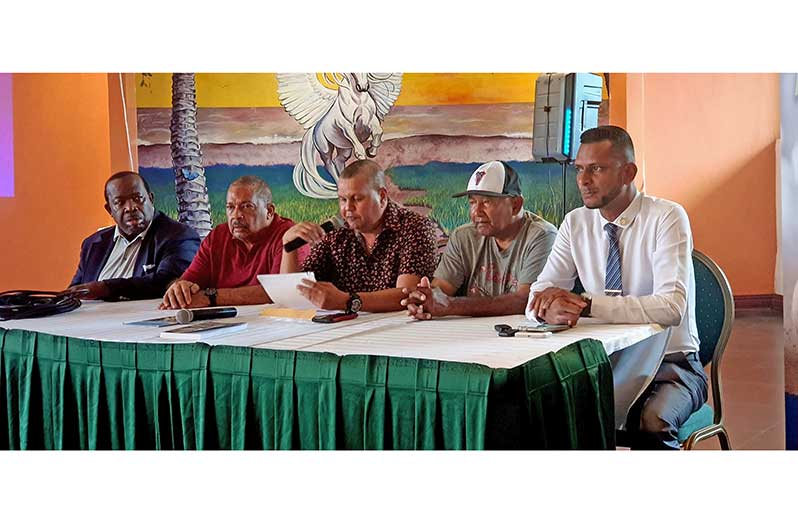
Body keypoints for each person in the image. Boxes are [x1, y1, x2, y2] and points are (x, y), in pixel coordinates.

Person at [525, 125, 707, 450]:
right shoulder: (576, 222)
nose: (583, 180)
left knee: (652, 424)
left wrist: (586, 305)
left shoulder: (666, 217)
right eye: (580, 169)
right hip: (602, 360)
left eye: (597, 169)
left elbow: (672, 307)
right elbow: (539, 295)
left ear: (628, 172)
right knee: (538, 410)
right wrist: (546, 305)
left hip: (672, 363)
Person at [401, 160, 557, 319]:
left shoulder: (542, 236)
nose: (476, 212)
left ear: (515, 205)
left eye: (486, 202)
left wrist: (450, 305)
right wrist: (425, 300)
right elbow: (441, 288)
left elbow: (526, 300)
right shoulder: (463, 237)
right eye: (472, 202)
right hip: (471, 333)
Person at [281, 159, 437, 313]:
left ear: (382, 196)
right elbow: (296, 291)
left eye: (357, 199)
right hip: (345, 327)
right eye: (342, 199)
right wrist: (289, 247)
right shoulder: (337, 232)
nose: (347, 208)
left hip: (401, 327)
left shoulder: (415, 227)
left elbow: (406, 294)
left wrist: (347, 301)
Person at [160, 175, 308, 309]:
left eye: (247, 206)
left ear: (269, 211)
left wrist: (211, 297)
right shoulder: (218, 236)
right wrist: (181, 289)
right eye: (230, 207)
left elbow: (282, 292)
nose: (236, 216)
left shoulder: (290, 236)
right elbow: (190, 282)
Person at [67, 171, 200, 301]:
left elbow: (167, 282)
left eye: (138, 198)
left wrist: (106, 288)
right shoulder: (93, 244)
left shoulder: (178, 236)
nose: (131, 207)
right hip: (89, 320)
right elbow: (75, 292)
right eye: (119, 202)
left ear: (151, 199)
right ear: (109, 210)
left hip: (143, 319)